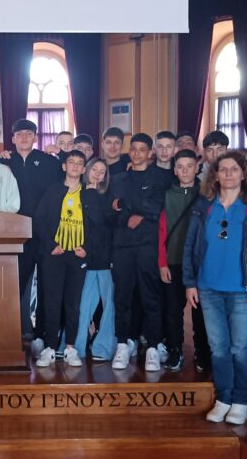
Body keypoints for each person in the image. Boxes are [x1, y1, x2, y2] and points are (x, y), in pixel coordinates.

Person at [182, 151, 247, 426]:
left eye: (234, 169)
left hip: (243, 289)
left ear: (244, 174)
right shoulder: (204, 205)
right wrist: (190, 282)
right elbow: (190, 244)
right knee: (218, 347)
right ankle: (224, 397)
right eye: (223, 169)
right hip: (208, 287)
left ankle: (241, 400)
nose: (228, 173)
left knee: (240, 347)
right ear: (215, 175)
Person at [108, 133, 172, 371]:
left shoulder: (161, 178)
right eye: (133, 149)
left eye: (142, 149)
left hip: (148, 245)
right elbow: (111, 210)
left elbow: (156, 207)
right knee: (122, 297)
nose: (136, 153)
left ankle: (153, 346)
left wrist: (126, 205)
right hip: (122, 245)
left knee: (150, 296)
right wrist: (129, 214)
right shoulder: (118, 178)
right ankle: (123, 344)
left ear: (150, 153)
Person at [0, 118, 63, 349]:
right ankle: (9, 332)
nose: (24, 137)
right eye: (19, 134)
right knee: (14, 284)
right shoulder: (3, 161)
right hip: (16, 233)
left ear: (35, 137)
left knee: (47, 285)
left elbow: (69, 179)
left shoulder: (49, 162)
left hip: (46, 233)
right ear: (13, 138)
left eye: (29, 133)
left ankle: (41, 335)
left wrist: (62, 153)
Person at [32, 151, 93, 367]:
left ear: (84, 169)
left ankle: (70, 348)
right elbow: (39, 220)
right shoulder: (53, 190)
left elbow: (97, 226)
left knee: (73, 303)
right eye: (71, 162)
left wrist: (87, 249)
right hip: (55, 255)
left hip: (77, 257)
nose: (75, 166)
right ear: (64, 166)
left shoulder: (89, 194)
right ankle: (50, 347)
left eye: (79, 163)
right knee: (52, 301)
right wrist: (51, 245)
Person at [156, 149, 200, 371]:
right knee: (172, 309)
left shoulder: (206, 193)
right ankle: (175, 349)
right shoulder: (166, 194)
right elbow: (161, 230)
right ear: (174, 170)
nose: (185, 171)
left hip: (199, 263)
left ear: (197, 168)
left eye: (189, 166)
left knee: (200, 310)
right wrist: (162, 262)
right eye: (180, 167)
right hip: (173, 259)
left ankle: (202, 351)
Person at [71, 158, 117, 361]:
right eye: (94, 169)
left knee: (108, 305)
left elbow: (101, 219)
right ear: (87, 170)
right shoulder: (77, 193)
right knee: (84, 304)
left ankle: (103, 348)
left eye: (102, 172)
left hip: (106, 256)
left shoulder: (107, 195)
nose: (97, 174)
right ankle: (77, 346)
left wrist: (90, 193)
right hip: (85, 256)